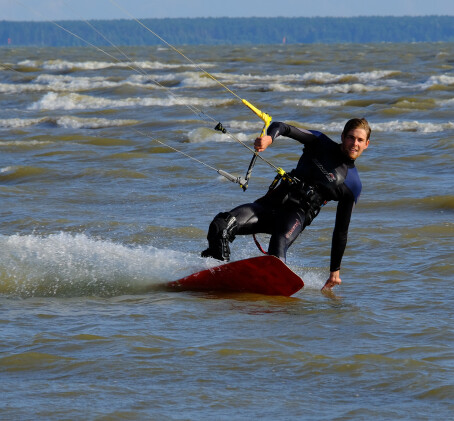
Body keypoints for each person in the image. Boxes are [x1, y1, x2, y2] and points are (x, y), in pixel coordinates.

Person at [201, 118, 371, 291]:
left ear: (366, 144)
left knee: (276, 256)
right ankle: (218, 276)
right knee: (220, 225)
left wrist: (335, 271)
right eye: (351, 137)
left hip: (294, 217)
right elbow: (282, 127)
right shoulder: (320, 142)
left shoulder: (352, 185)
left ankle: (271, 297)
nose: (354, 143)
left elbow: (341, 231)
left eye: (360, 140)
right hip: (269, 205)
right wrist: (269, 138)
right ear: (343, 136)